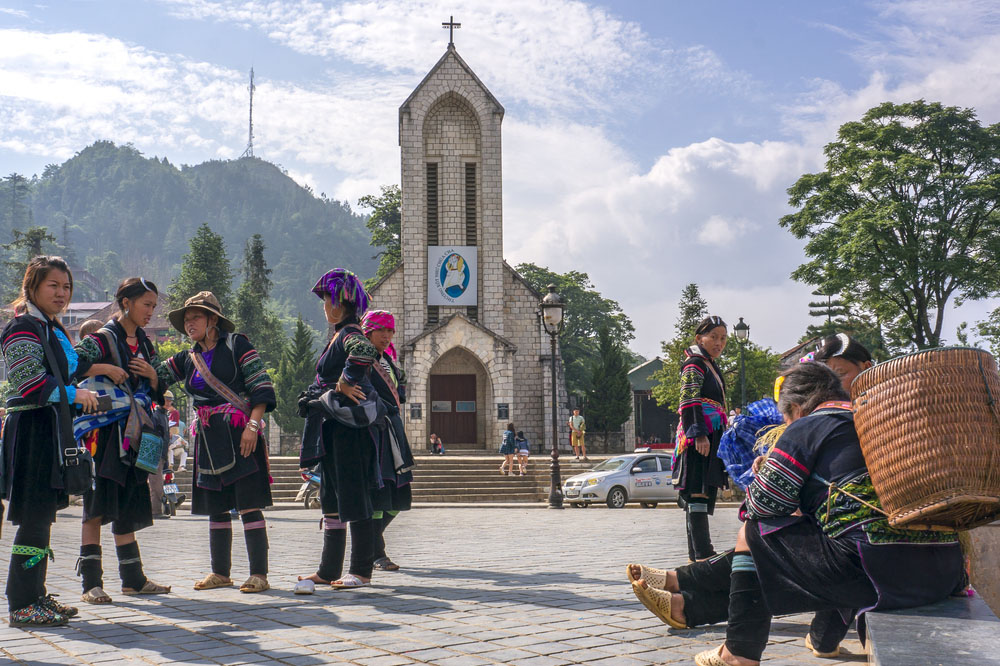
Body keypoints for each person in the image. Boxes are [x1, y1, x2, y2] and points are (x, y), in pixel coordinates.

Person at [630, 363, 963, 666]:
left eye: (785, 418)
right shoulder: (876, 421)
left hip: (878, 570)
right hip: (942, 572)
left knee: (755, 533)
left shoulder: (810, 426)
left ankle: (736, 651)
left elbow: (759, 507)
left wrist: (765, 472)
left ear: (794, 408)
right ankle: (685, 600)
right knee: (793, 545)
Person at [1, 256, 100, 626]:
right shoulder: (21, 328)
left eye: (67, 287)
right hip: (31, 431)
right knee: (33, 518)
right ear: (32, 287)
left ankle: (36, 595)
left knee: (43, 518)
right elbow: (29, 383)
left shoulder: (48, 328)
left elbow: (69, 368)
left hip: (49, 429)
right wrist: (75, 396)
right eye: (53, 286)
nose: (62, 293)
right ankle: (21, 602)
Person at [160, 291, 276, 594]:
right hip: (209, 439)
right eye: (186, 320)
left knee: (248, 503)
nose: (189, 324)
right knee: (217, 507)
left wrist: (252, 426)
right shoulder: (187, 358)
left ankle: (259, 574)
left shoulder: (238, 345)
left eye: (195, 317)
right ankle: (220, 573)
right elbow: (155, 376)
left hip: (240, 435)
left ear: (213, 320)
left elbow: (261, 386)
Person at [73, 277, 172, 604]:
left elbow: (160, 383)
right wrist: (104, 368)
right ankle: (91, 583)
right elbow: (71, 364)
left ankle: (133, 580)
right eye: (147, 305)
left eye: (154, 306)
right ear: (125, 302)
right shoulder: (102, 338)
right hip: (106, 434)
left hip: (138, 432)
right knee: (98, 503)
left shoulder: (144, 343)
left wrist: (153, 374)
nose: (150, 312)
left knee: (129, 499)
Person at [296, 269, 382, 592]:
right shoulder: (338, 335)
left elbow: (364, 351)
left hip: (349, 432)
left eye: (326, 299)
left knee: (354, 495)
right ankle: (328, 568)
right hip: (332, 428)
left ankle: (361, 570)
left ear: (339, 302)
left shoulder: (349, 333)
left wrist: (345, 380)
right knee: (331, 496)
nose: (324, 306)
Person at [361, 310, 415, 572]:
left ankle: (365, 537)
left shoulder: (388, 362)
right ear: (367, 332)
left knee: (399, 495)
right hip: (375, 434)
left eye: (390, 331)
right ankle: (376, 552)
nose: (386, 335)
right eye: (380, 330)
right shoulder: (362, 361)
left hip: (393, 432)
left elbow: (398, 394)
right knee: (381, 493)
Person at [674, 315, 729, 562]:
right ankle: (702, 551)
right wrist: (698, 434)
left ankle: (696, 553)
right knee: (697, 490)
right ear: (700, 338)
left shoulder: (709, 365)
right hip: (700, 434)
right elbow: (689, 399)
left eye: (723, 338)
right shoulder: (694, 363)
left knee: (702, 490)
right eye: (714, 337)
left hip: (711, 433)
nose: (719, 343)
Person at [164, 390, 188, 471]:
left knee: (184, 453)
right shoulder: (165, 416)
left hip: (176, 448)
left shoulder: (177, 435)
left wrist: (182, 443)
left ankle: (181, 466)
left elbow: (185, 443)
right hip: (169, 450)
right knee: (169, 451)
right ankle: (170, 465)